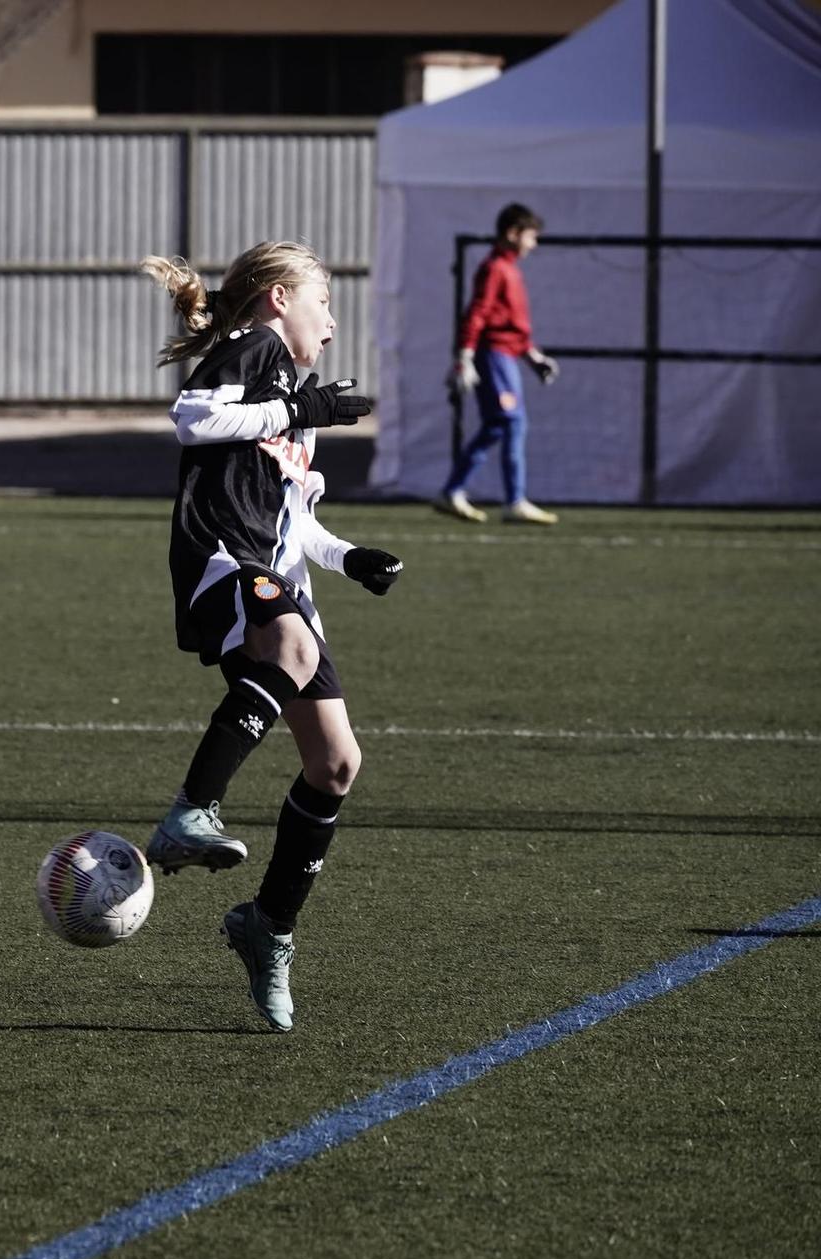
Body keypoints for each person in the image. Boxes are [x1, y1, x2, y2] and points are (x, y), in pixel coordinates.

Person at [139, 242, 401, 1033]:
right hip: (222, 555)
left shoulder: (295, 397)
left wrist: (349, 554)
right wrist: (300, 408)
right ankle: (193, 809)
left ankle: (269, 925)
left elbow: (296, 520)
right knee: (292, 651)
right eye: (324, 300)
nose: (332, 320)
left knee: (337, 762)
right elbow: (191, 418)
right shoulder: (254, 350)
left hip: (275, 572)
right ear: (281, 298)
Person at [438, 202, 561, 525]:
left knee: (498, 425)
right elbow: (478, 313)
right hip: (493, 357)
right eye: (530, 236)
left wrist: (533, 357)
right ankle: (513, 501)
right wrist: (465, 356)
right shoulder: (495, 268)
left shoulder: (509, 269)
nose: (533, 244)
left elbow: (511, 325)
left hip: (505, 356)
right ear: (513, 233)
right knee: (512, 422)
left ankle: (453, 491)